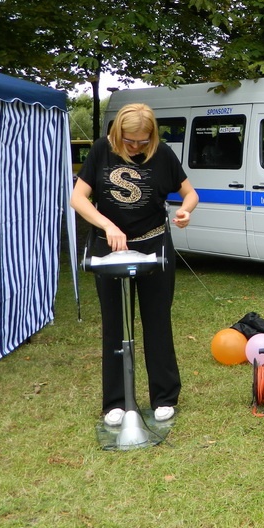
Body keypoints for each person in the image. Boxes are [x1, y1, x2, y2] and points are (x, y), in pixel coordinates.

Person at [71, 103, 199, 426]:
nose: (136, 147)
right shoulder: (102, 151)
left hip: (154, 245)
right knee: (114, 323)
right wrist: (107, 226)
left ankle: (164, 396)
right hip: (109, 249)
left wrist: (186, 210)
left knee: (157, 321)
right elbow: (77, 198)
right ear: (118, 134)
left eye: (143, 141)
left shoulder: (163, 154)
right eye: (130, 141)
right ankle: (115, 401)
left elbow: (191, 193)